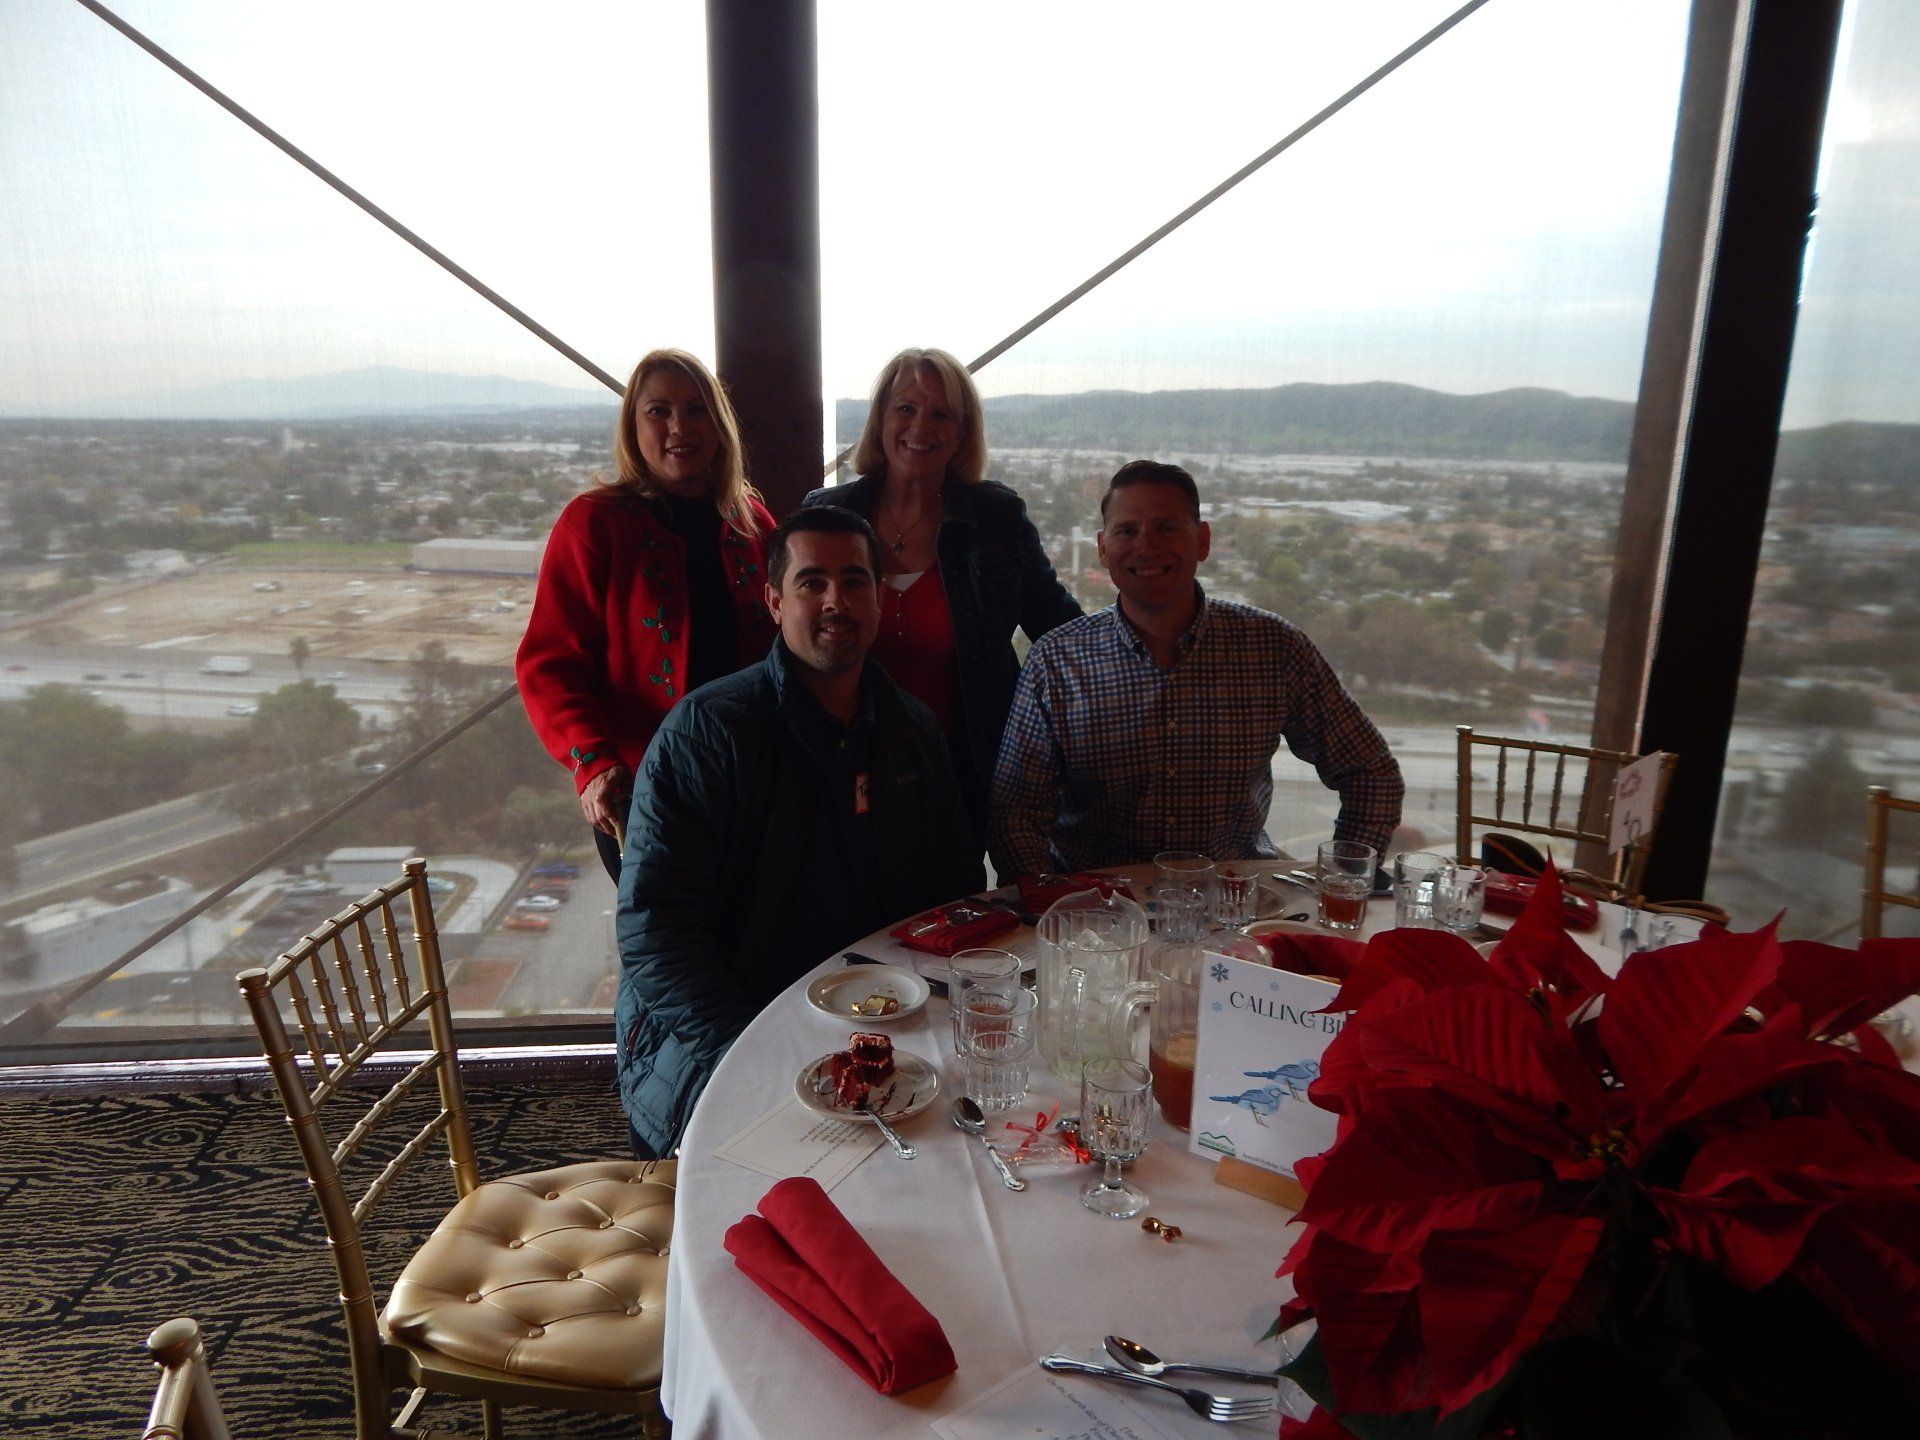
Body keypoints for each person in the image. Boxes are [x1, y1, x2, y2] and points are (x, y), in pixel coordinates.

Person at [615, 506, 986, 1157]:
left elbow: (950, 887)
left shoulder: (912, 730)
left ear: (878, 598)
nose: (835, 601)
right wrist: (755, 1052)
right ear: (774, 601)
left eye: (854, 581)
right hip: (729, 1035)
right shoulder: (709, 733)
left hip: (880, 1024)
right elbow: (656, 931)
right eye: (812, 582)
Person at [988, 460, 1403, 878]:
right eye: (1126, 530)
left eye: (1166, 527)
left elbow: (1371, 771)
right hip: (1101, 916)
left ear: (1201, 540)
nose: (1146, 546)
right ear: (1102, 547)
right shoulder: (1057, 662)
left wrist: (1344, 881)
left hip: (1235, 910)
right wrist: (1052, 908)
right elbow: (1015, 814)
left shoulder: (1272, 648)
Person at [517, 349, 776, 881]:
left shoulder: (751, 520)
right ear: (633, 428)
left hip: (755, 781)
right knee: (669, 948)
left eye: (697, 409)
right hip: (643, 793)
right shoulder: (594, 524)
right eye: (659, 411)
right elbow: (551, 662)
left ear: (720, 423)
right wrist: (592, 762)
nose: (680, 427)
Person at [801, 347, 1080, 842]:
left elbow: (1063, 633)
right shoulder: (828, 516)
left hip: (961, 769)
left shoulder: (996, 519)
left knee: (953, 910)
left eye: (941, 414)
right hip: (843, 764)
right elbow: (786, 642)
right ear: (880, 420)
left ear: (961, 434)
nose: (920, 426)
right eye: (905, 408)